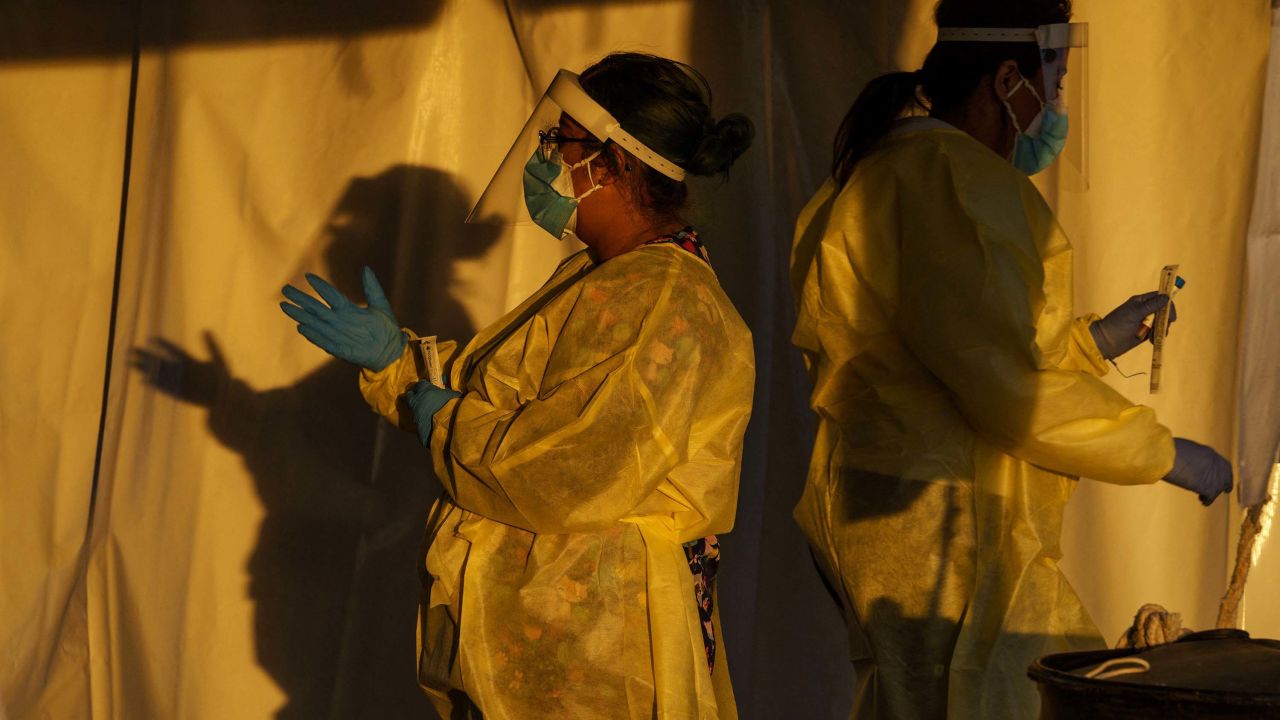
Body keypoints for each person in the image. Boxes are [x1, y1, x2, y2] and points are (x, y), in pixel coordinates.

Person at [789, 1, 1233, 717]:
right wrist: (1160, 451)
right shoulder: (950, 179)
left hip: (899, 513)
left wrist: (1092, 343)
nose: (1055, 107)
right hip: (947, 529)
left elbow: (965, 347)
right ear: (1005, 81)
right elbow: (1003, 389)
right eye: (1051, 85)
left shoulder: (885, 168)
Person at [280, 52, 755, 719]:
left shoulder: (665, 301)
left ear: (613, 163)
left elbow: (570, 466)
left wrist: (442, 419)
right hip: (546, 644)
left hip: (596, 653)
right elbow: (501, 394)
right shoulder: (603, 280)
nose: (545, 157)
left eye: (559, 142)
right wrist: (399, 363)